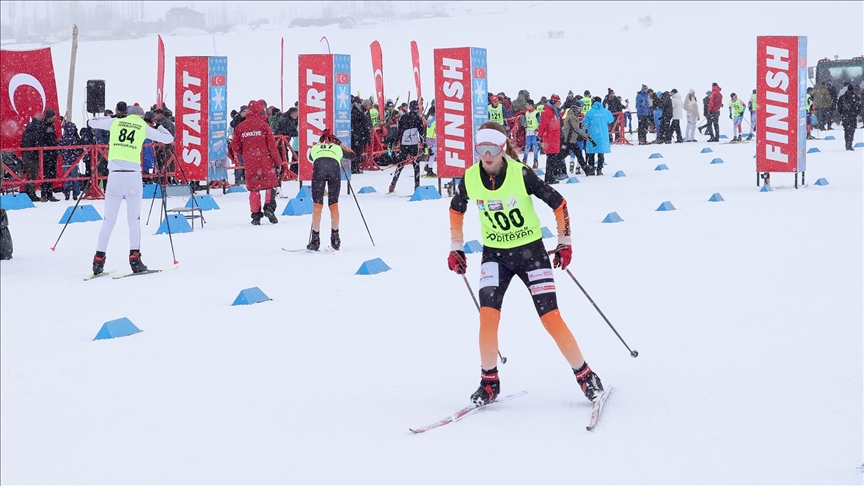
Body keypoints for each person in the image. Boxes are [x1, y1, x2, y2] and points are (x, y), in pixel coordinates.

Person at [446, 121, 605, 407]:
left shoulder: (521, 174)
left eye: (492, 148)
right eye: (481, 148)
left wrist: (564, 242)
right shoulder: (469, 177)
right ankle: (489, 382)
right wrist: (456, 247)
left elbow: (559, 203)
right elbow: (457, 209)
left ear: (503, 147)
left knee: (550, 317)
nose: (487, 154)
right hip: (495, 256)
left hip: (531, 253)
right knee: (487, 316)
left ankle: (586, 376)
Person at [87, 102, 174, 275]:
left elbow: (92, 121)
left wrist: (115, 117)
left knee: (108, 220)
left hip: (115, 176)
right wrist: (155, 124)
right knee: (133, 220)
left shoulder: (116, 122)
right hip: (133, 176)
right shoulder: (143, 125)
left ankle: (98, 260)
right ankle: (135, 259)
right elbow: (168, 138)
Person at [230, 100, 281, 225]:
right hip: (265, 160)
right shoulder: (264, 126)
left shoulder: (240, 127)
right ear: (259, 111)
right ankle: (269, 207)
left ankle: (255, 215)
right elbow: (272, 147)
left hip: (250, 162)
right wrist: (278, 163)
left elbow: (234, 145)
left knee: (254, 189)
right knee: (270, 185)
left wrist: (245, 152)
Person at [306, 129, 352, 251]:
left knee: (317, 204)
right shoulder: (337, 148)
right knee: (333, 203)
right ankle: (335, 236)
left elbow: (310, 157)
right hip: (334, 170)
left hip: (319, 170)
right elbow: (353, 155)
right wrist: (339, 143)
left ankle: (315, 239)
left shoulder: (315, 148)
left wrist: (319, 145)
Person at [387, 100, 425, 194]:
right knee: (416, 165)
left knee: (401, 164)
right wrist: (424, 145)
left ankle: (392, 184)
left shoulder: (403, 117)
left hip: (404, 144)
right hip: (413, 144)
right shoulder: (418, 118)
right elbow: (421, 134)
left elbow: (398, 131)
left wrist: (395, 142)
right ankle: (417, 186)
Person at [583, 97, 614, 175]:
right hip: (602, 135)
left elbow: (584, 123)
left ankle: (591, 168)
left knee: (591, 153)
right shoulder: (605, 112)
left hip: (592, 135)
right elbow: (611, 119)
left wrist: (581, 132)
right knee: (601, 153)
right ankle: (599, 169)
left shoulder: (590, 112)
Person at [537, 93, 564, 183]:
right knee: (551, 159)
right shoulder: (548, 112)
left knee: (552, 159)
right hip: (550, 138)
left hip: (553, 138)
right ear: (555, 102)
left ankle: (550, 177)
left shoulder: (553, 111)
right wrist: (540, 135)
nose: (560, 104)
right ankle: (549, 178)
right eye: (559, 102)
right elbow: (543, 124)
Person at [58, 121, 83, 200]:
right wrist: (78, 153)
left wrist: (64, 154)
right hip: (73, 161)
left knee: (67, 178)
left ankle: (67, 192)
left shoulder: (62, 138)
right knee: (74, 178)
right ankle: (75, 193)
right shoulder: (73, 138)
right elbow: (75, 150)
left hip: (66, 161)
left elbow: (59, 149)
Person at [837, 82, 862, 151]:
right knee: (852, 130)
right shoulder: (856, 97)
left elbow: (839, 107)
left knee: (846, 130)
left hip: (845, 116)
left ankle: (847, 143)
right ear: (853, 89)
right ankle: (850, 144)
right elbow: (859, 107)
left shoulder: (842, 97)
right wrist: (856, 113)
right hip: (852, 116)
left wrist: (841, 113)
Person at [522, 99, 541, 167]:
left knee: (535, 147)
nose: (526, 106)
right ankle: (524, 159)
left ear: (531, 105)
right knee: (527, 146)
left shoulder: (536, 113)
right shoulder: (527, 113)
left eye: (527, 105)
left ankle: (535, 161)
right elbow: (528, 121)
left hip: (534, 132)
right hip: (528, 132)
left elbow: (540, 122)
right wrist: (525, 125)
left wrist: (537, 129)